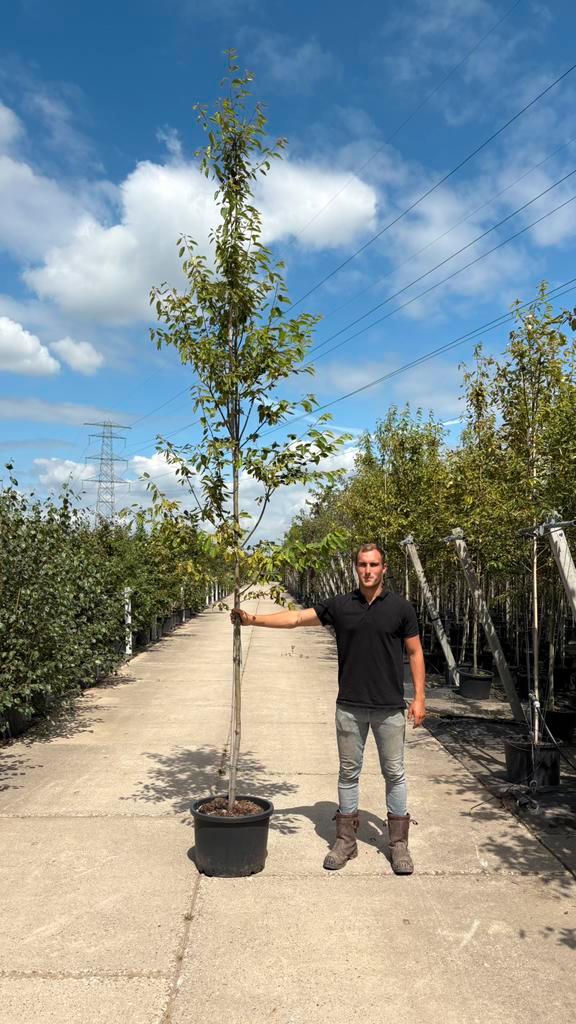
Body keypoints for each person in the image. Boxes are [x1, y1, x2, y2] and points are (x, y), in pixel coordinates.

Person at [231, 542, 426, 875]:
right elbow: (294, 618)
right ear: (356, 568)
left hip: (389, 709)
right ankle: (345, 841)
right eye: (362, 564)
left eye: (374, 564)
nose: (368, 570)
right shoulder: (340, 605)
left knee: (394, 773)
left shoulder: (401, 608)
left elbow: (415, 653)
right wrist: (252, 620)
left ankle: (397, 844)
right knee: (348, 774)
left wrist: (420, 698)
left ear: (384, 568)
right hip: (349, 707)